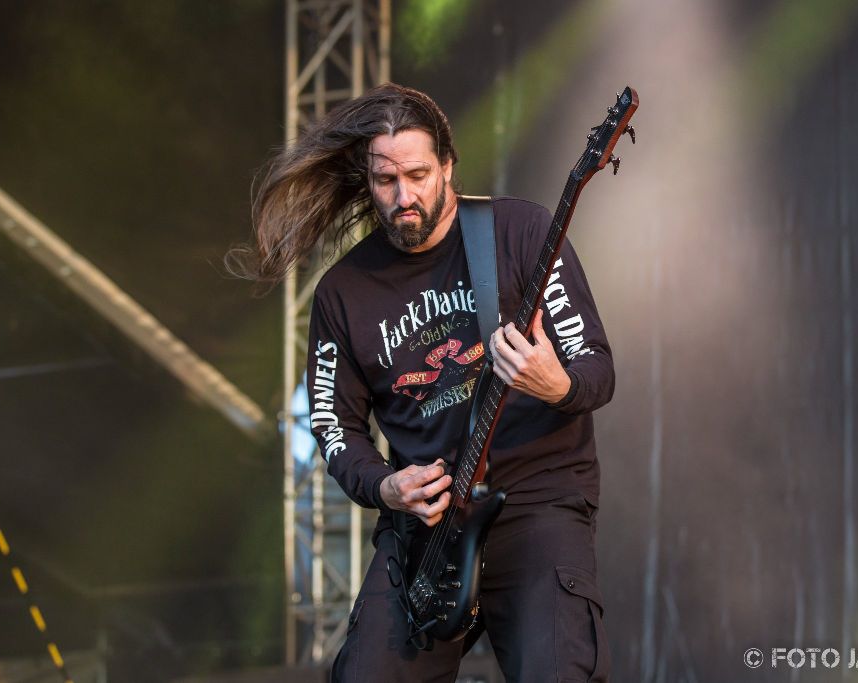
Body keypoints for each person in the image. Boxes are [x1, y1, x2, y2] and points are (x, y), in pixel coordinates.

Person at [232, 83, 614, 682]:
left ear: (447, 166)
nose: (403, 196)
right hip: (427, 529)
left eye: (417, 175)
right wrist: (386, 487)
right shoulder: (342, 293)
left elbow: (596, 369)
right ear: (367, 179)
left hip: (535, 502)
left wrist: (554, 383)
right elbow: (334, 425)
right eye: (386, 180)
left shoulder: (519, 232)